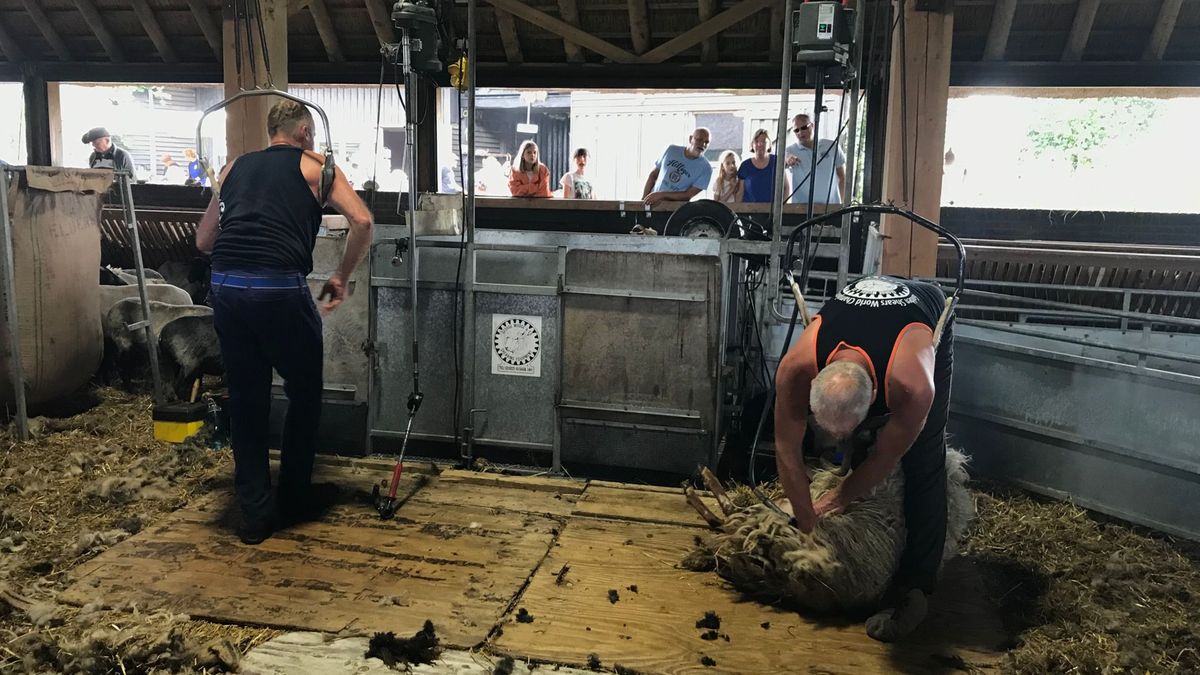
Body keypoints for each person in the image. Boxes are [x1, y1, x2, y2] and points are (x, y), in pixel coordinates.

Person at [195, 100, 374, 545]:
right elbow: (363, 220)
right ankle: (294, 494)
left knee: (247, 397)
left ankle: (254, 516)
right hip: (278, 286)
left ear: (271, 132)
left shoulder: (234, 167)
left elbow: (203, 240)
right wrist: (340, 276)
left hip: (227, 286)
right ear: (306, 132)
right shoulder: (318, 166)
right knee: (305, 389)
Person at [773, 275, 953, 643]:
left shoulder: (914, 383)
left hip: (925, 312)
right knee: (852, 447)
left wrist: (836, 499)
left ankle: (917, 587)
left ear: (875, 399)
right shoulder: (795, 368)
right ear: (815, 382)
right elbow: (785, 446)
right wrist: (806, 518)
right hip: (865, 302)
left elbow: (887, 456)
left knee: (924, 459)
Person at [784, 114, 846, 205]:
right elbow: (781, 163)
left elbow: (843, 176)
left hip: (831, 207)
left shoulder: (832, 146)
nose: (800, 132)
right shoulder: (789, 151)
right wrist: (787, 159)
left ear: (813, 126)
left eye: (804, 127)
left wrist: (842, 204)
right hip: (801, 209)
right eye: (796, 130)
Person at [642, 127, 712, 206]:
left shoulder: (706, 169)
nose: (703, 144)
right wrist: (643, 199)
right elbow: (653, 175)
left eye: (706, 142)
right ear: (690, 139)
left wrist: (661, 195)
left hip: (675, 210)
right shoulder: (671, 150)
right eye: (699, 140)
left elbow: (688, 195)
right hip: (652, 203)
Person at [739, 128, 790, 203]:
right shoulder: (745, 165)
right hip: (749, 210)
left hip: (773, 211)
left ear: (769, 145)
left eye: (763, 141)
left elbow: (786, 188)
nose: (759, 144)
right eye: (756, 142)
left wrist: (781, 207)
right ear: (752, 145)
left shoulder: (777, 161)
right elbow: (740, 192)